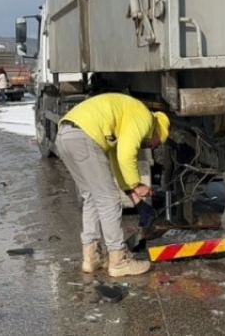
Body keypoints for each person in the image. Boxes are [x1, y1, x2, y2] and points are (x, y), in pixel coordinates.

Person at [56, 93, 170, 278]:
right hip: (84, 136)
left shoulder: (126, 118)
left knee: (92, 196)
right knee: (109, 199)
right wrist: (137, 185)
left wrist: (135, 197)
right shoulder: (144, 117)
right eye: (157, 144)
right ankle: (119, 261)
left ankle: (91, 257)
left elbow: (117, 161)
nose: (153, 147)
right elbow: (126, 155)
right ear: (158, 132)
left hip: (65, 135)